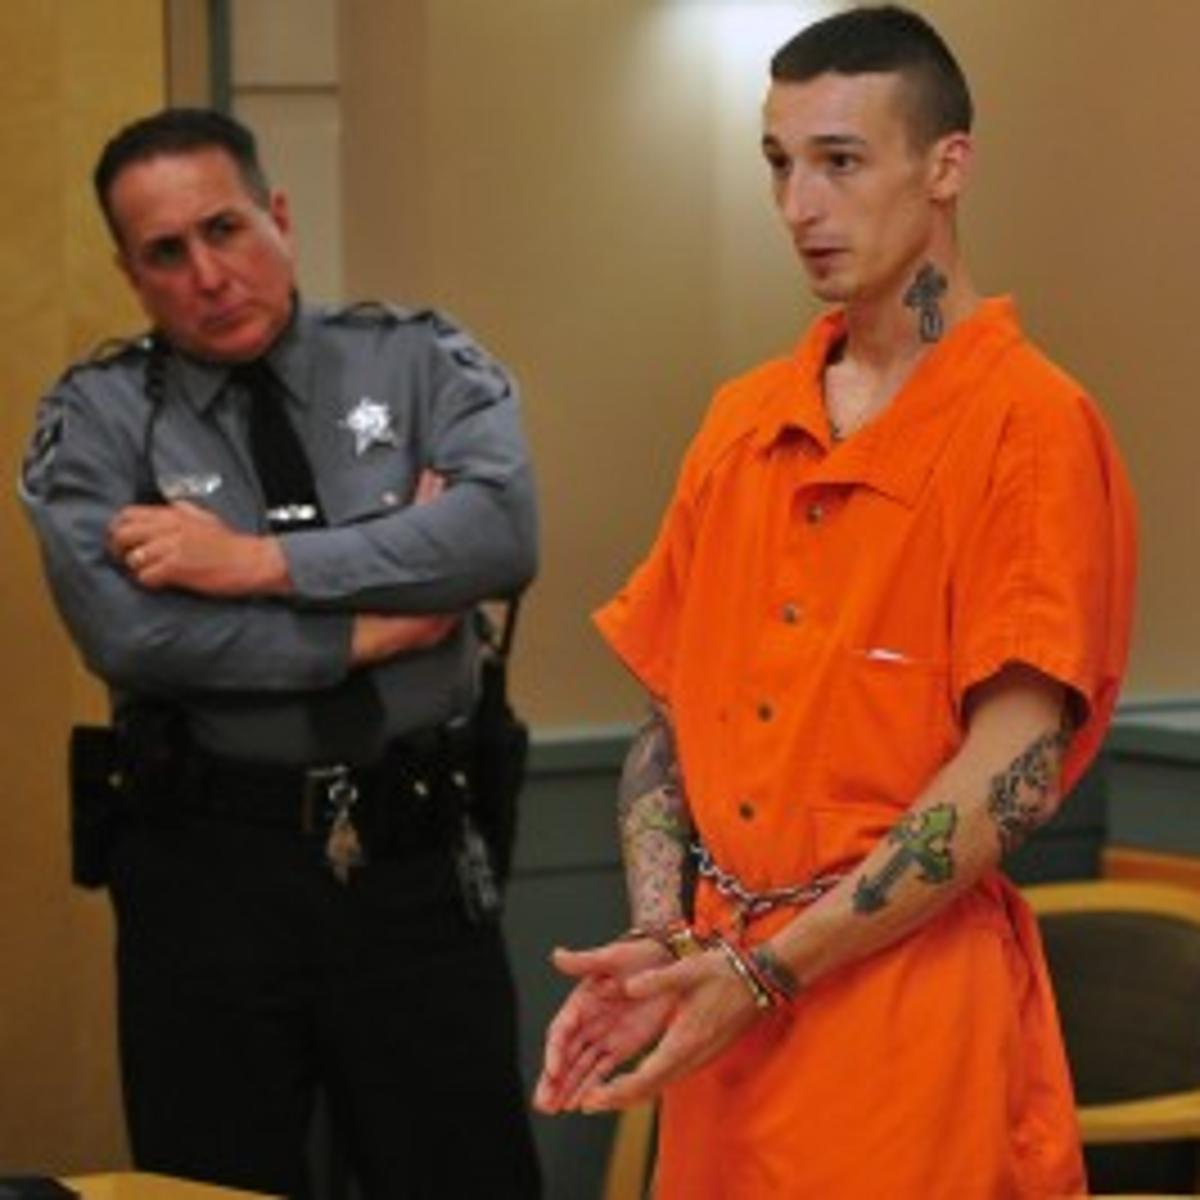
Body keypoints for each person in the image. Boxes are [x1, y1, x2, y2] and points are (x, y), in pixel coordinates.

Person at [534, 6, 1136, 1198]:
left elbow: (1009, 776)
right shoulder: (743, 421)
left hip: (906, 1019)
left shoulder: (1029, 427)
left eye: (841, 162)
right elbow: (670, 722)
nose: (800, 205)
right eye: (780, 164)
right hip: (720, 1006)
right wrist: (662, 939)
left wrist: (769, 971)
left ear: (947, 166)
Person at [20, 107, 541, 1199]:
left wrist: (252, 564)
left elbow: (498, 537)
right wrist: (377, 622)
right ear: (131, 274)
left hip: (417, 864)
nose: (210, 276)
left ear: (281, 218)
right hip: (208, 872)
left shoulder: (418, 360)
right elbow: (131, 632)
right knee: (214, 1187)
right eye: (167, 252)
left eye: (227, 228)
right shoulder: (100, 417)